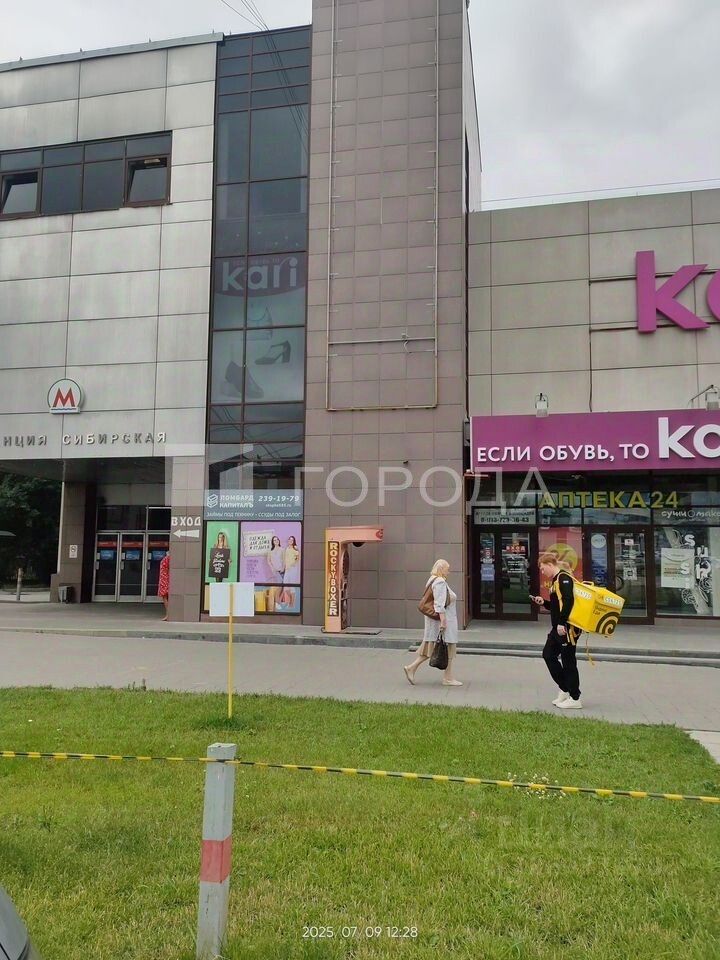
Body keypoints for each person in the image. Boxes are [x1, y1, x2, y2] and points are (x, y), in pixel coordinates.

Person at [531, 553, 583, 709]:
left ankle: (575, 698)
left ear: (549, 564)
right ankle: (565, 688)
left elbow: (568, 600)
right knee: (548, 654)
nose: (542, 572)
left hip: (566, 628)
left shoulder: (563, 578)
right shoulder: (555, 581)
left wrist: (561, 623)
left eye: (542, 568)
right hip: (557, 629)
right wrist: (544, 602)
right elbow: (557, 606)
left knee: (568, 662)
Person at [403, 559, 462, 687]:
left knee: (433, 649)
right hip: (442, 622)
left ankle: (411, 668)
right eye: (447, 569)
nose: (448, 572)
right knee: (447, 649)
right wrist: (443, 622)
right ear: (441, 569)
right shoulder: (440, 582)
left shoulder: (432, 580)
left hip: (436, 622)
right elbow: (439, 604)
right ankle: (447, 678)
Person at [158, 551, 170, 621]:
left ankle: (168, 614)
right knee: (165, 597)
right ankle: (168, 614)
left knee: (165, 597)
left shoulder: (167, 559)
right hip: (165, 578)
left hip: (164, 579)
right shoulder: (167, 559)